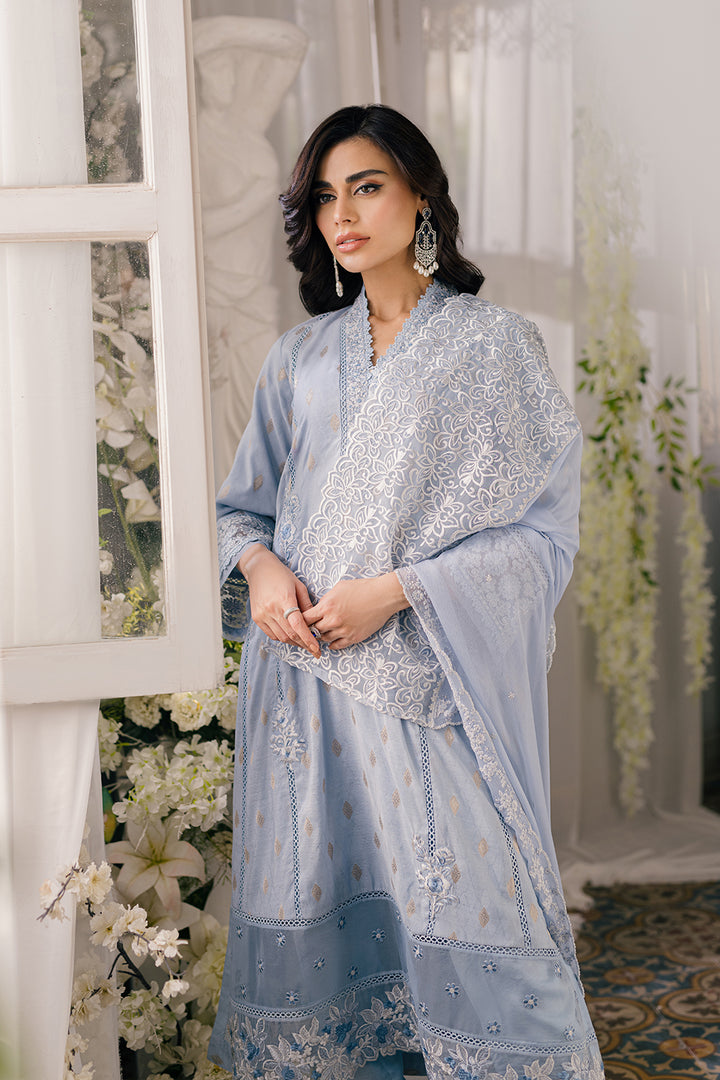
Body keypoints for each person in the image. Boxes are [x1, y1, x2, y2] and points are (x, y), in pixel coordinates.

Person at [208, 105, 604, 1080]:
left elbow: (540, 535)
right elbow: (242, 513)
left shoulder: (493, 347)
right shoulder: (298, 358)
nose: (342, 214)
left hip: (427, 690)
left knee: (472, 914)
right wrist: (262, 572)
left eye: (367, 187)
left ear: (421, 195)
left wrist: (396, 590)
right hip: (302, 693)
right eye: (324, 197)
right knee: (331, 949)